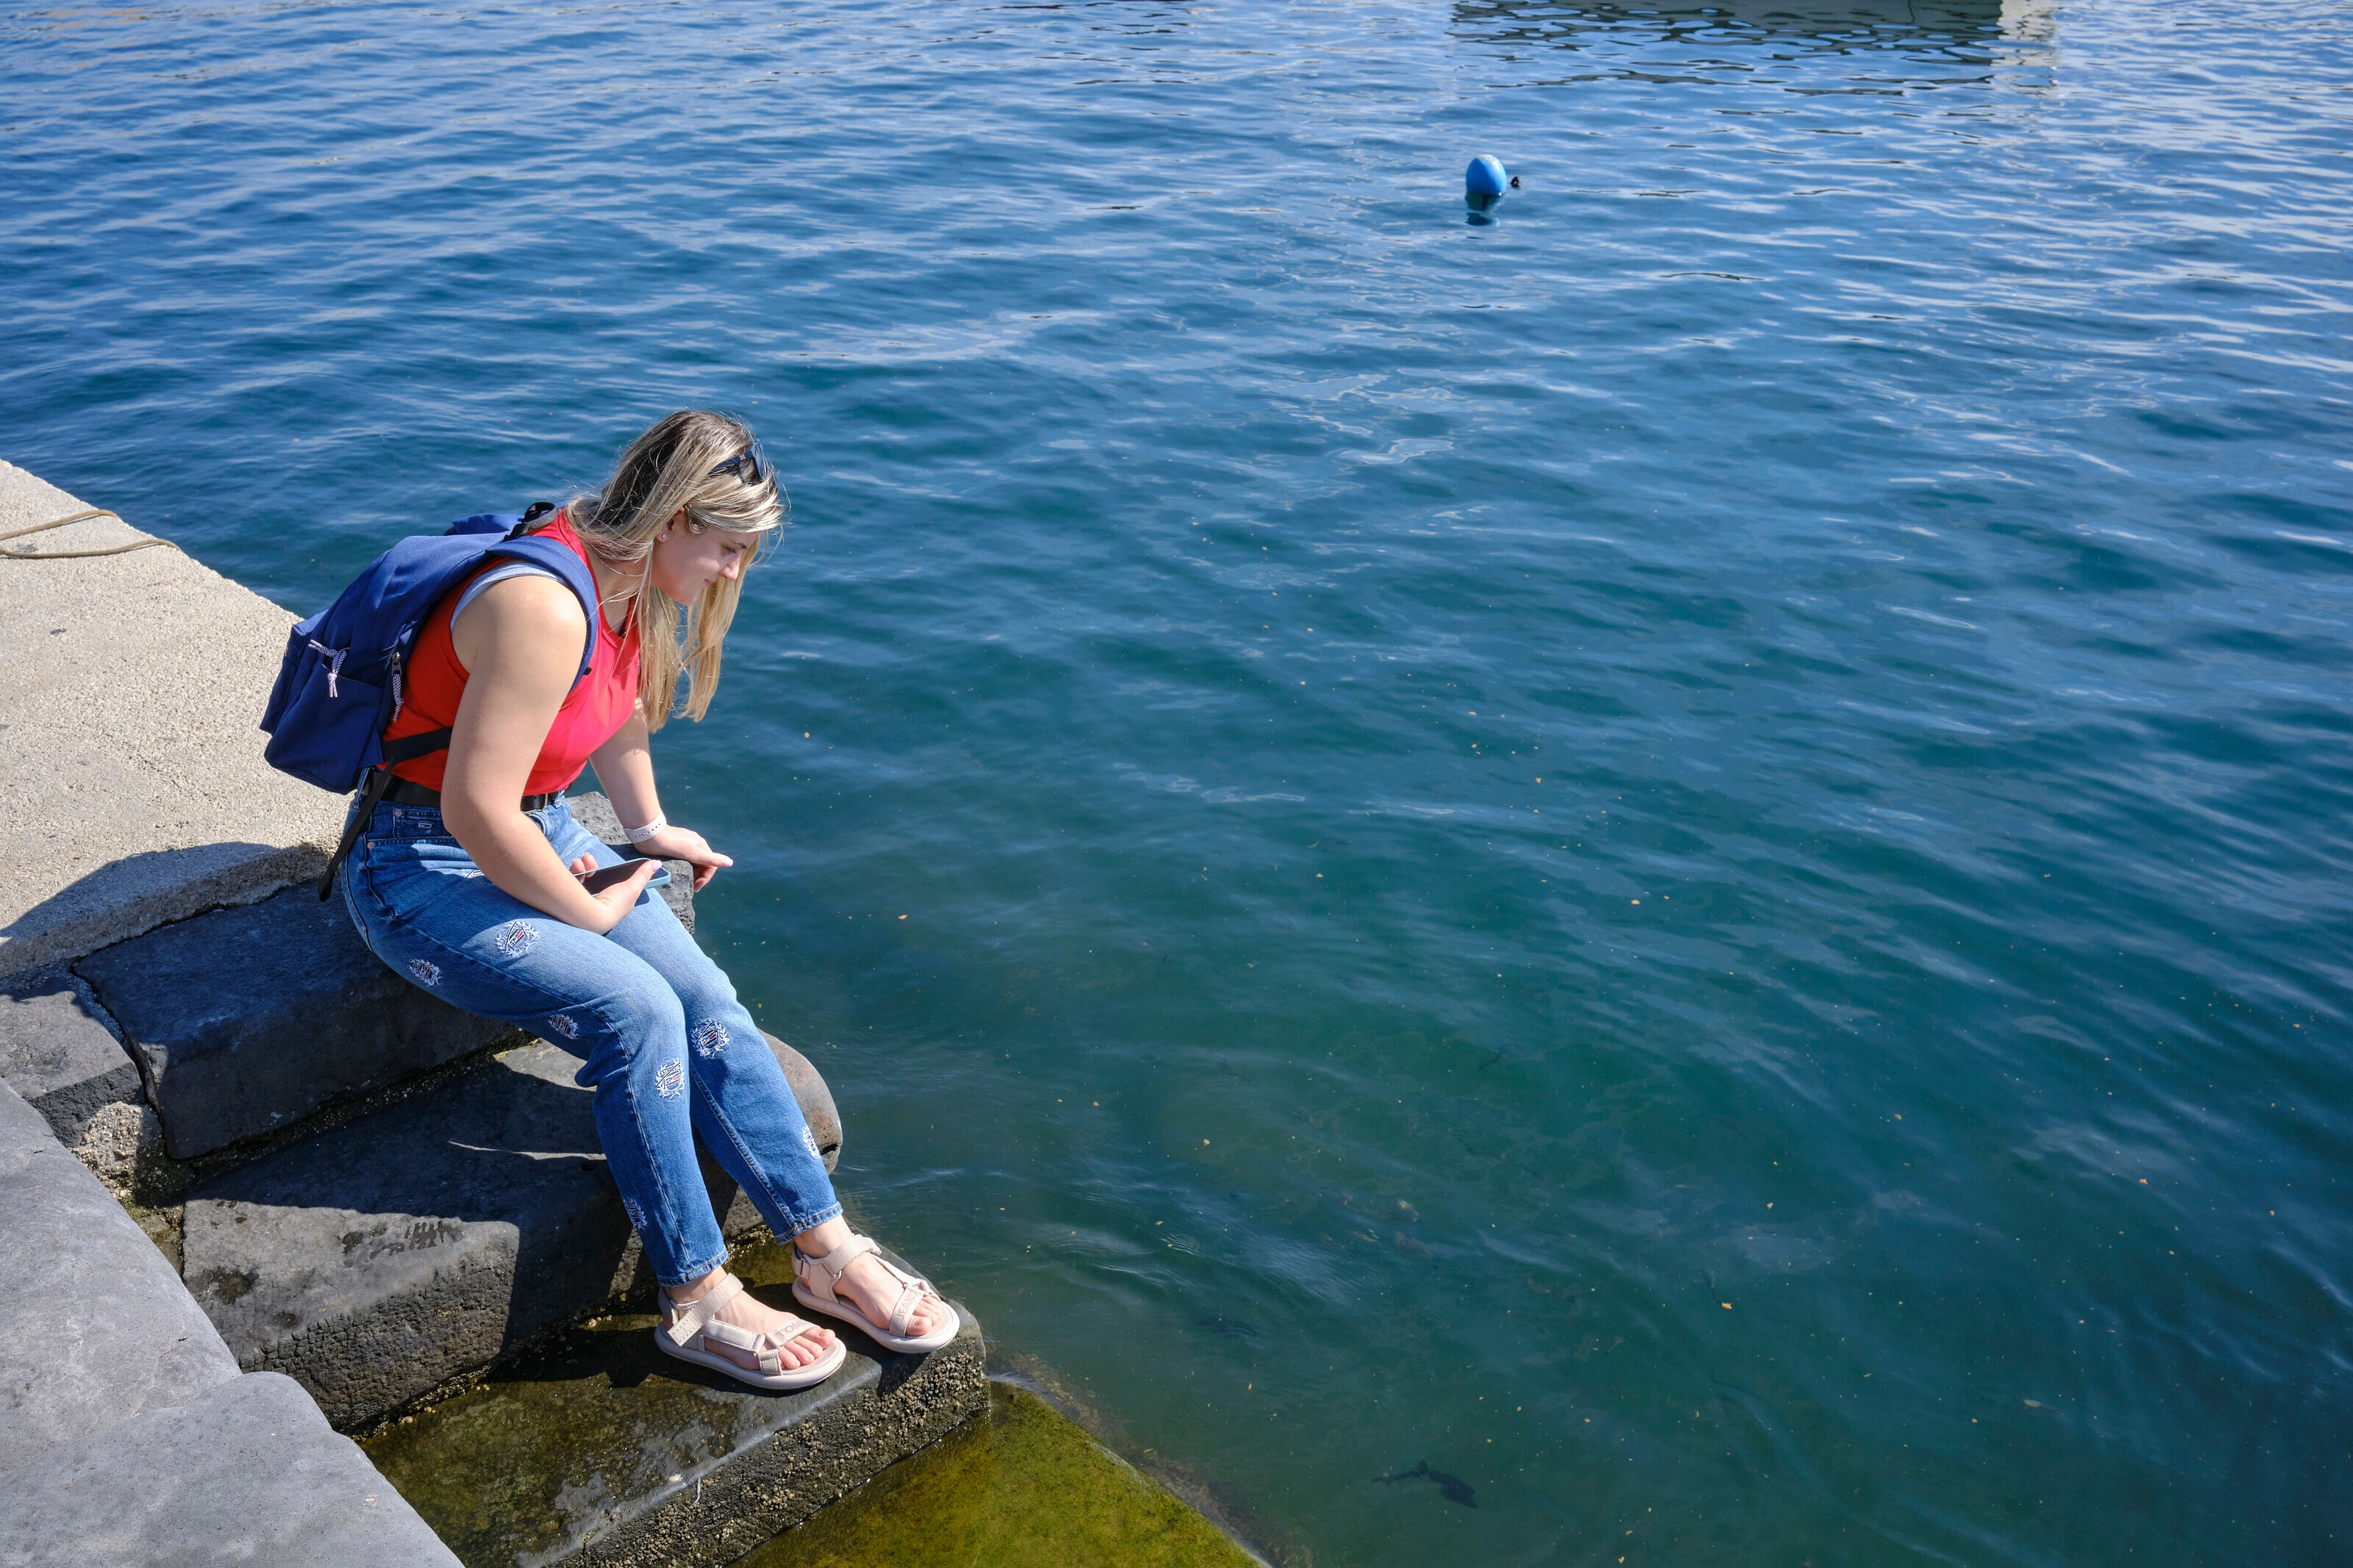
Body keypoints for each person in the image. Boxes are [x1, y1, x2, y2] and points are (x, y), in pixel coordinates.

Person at [340, 409, 953, 1389]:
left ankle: (826, 1249)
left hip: (541, 824)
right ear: (673, 521)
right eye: (729, 549)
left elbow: (615, 704)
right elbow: (473, 808)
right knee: (637, 1010)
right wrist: (589, 913)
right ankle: (695, 1295)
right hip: (416, 864)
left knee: (705, 999)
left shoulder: (623, 579)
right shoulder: (543, 602)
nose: (735, 572)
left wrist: (651, 825)